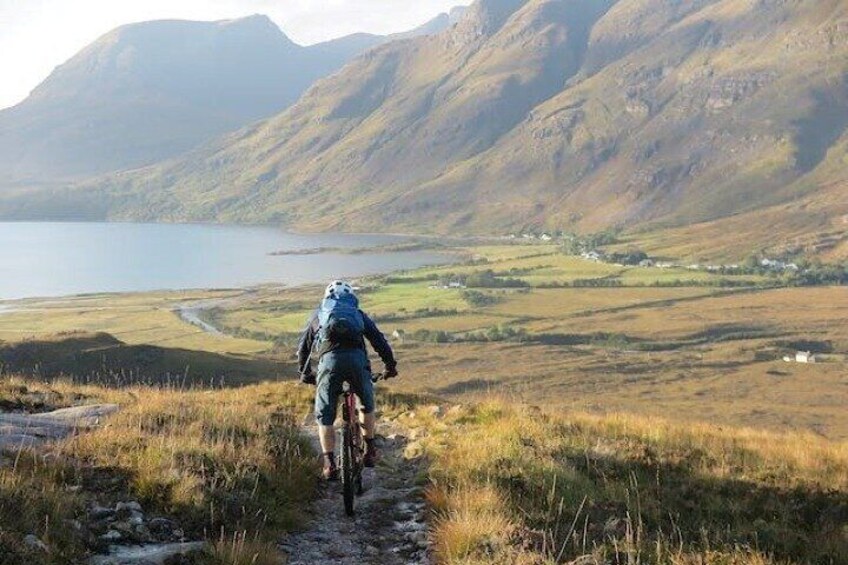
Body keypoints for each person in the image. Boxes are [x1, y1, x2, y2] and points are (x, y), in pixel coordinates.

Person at [297, 280, 398, 480]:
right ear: (351, 297)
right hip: (356, 363)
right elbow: (379, 341)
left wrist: (305, 372)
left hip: (329, 364)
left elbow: (304, 349)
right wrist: (390, 366)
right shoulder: (358, 314)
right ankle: (370, 450)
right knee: (366, 405)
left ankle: (329, 464)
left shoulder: (320, 315)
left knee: (325, 416)